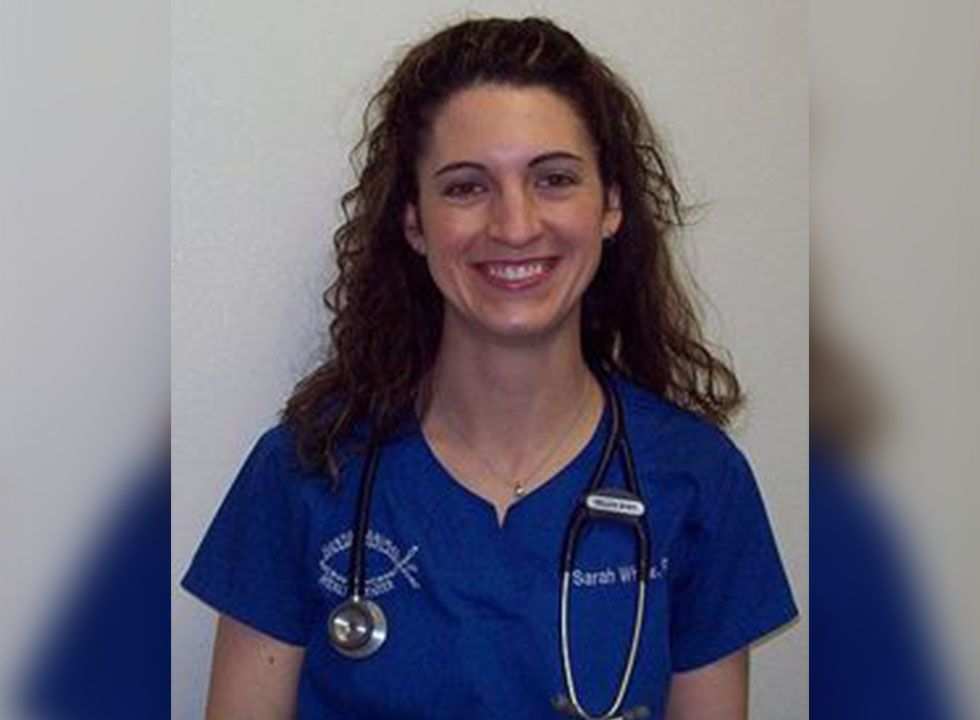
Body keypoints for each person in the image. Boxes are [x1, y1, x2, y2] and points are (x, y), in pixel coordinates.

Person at [182, 16, 798, 720]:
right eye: (466, 187)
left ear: (611, 206)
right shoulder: (305, 470)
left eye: (554, 179)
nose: (515, 225)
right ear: (414, 223)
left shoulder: (697, 478)